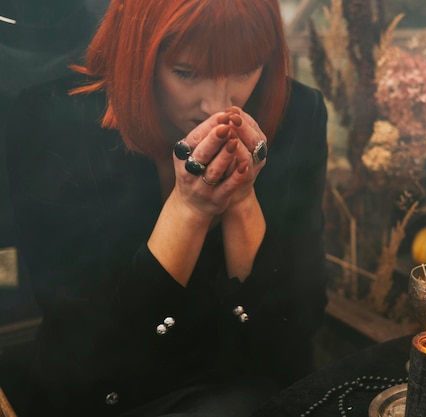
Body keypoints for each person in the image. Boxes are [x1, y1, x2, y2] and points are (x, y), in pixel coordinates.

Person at [4, 0, 329, 416]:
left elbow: (298, 322)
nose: (217, 105)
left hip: (256, 390)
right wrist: (190, 209)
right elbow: (88, 341)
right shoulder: (52, 120)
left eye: (246, 68)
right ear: (138, 54)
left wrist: (243, 199)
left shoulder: (297, 113)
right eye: (188, 73)